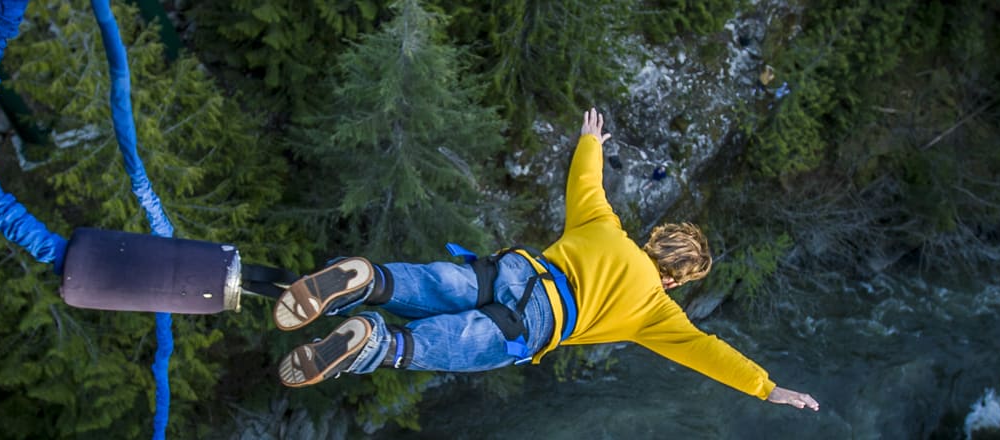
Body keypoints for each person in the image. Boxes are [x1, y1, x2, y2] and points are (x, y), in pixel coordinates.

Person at [273, 108, 820, 411]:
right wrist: (768, 387)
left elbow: (586, 182)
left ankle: (370, 280)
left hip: (516, 271)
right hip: (536, 323)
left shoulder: (604, 226)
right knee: (438, 345)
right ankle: (374, 342)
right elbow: (707, 353)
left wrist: (591, 141)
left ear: (653, 241)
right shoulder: (657, 312)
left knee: (441, 283)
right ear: (674, 279)